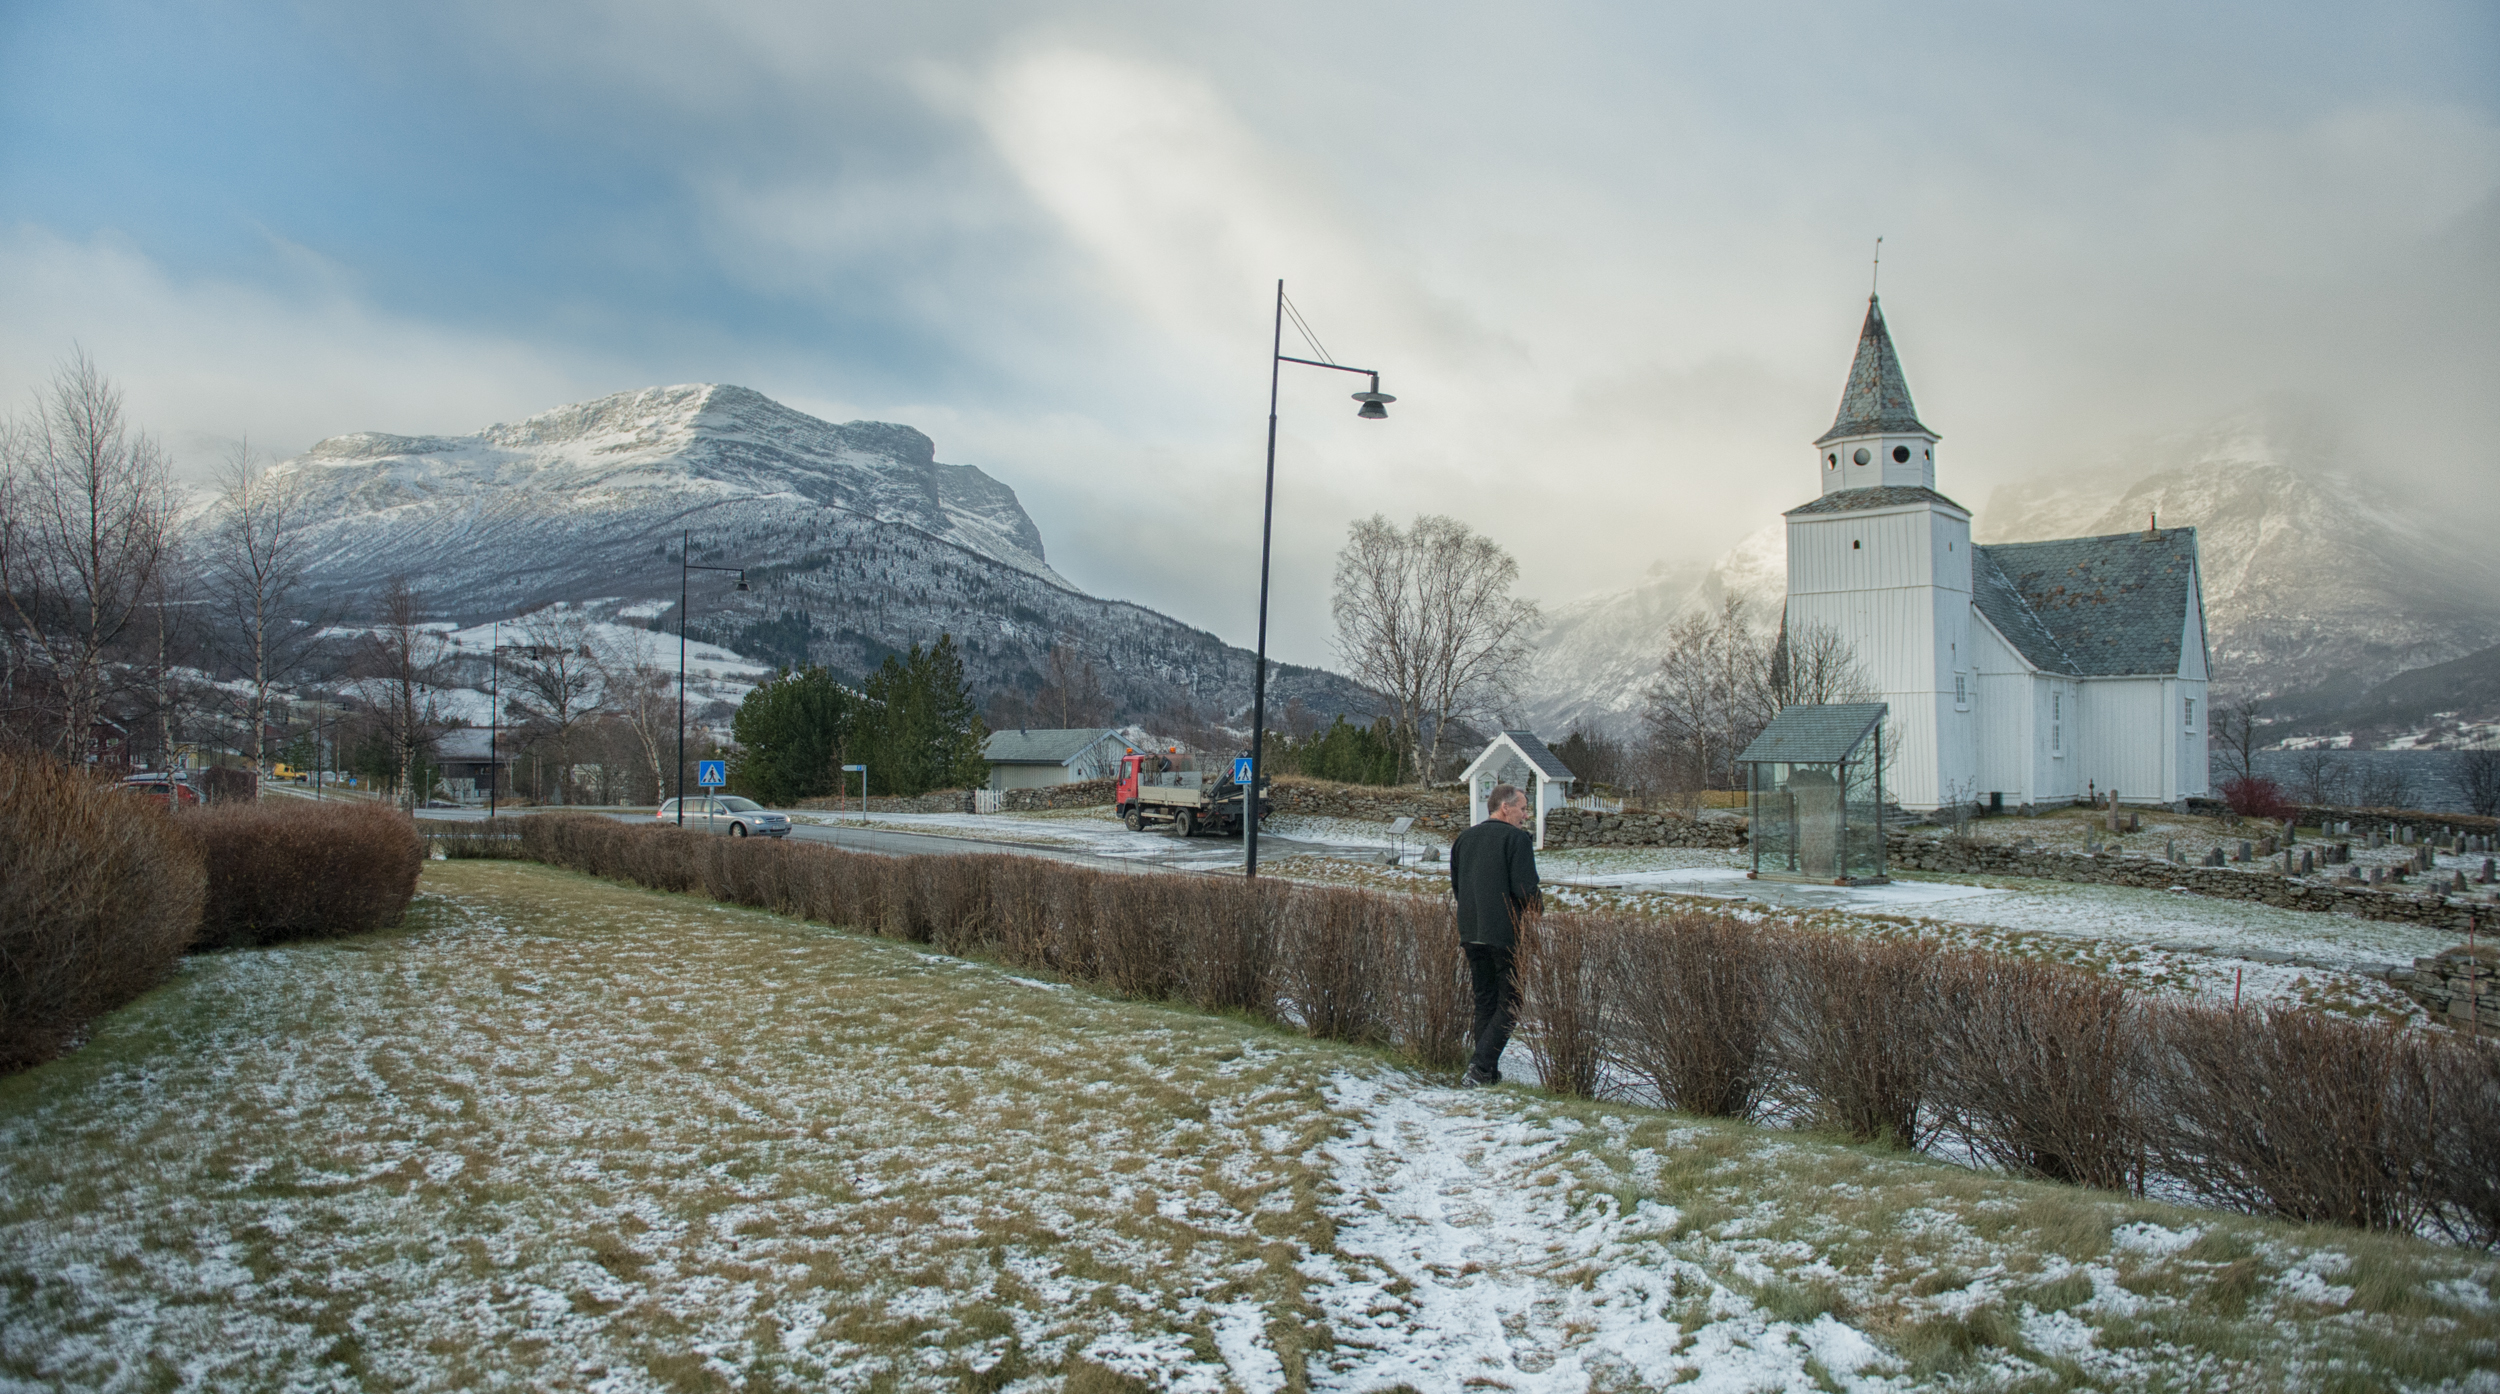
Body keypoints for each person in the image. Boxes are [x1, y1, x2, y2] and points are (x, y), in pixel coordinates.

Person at [1448, 782, 1542, 1088]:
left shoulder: (1464, 839)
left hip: (1471, 930)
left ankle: (1486, 1072)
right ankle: (1480, 1067)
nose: (1526, 816)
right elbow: (1524, 888)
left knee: (1485, 1000)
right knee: (1511, 1002)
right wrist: (1537, 906)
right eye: (1523, 808)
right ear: (1505, 807)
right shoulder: (1516, 839)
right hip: (1504, 932)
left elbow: (1458, 887)